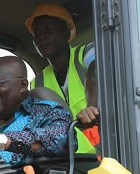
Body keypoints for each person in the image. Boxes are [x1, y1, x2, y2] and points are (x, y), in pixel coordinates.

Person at [25, 3, 100, 154]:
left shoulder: (85, 53)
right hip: (65, 161)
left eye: (49, 30)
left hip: (105, 153)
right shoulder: (37, 83)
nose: (42, 37)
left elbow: (95, 74)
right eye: (36, 34)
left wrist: (91, 107)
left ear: (66, 33)